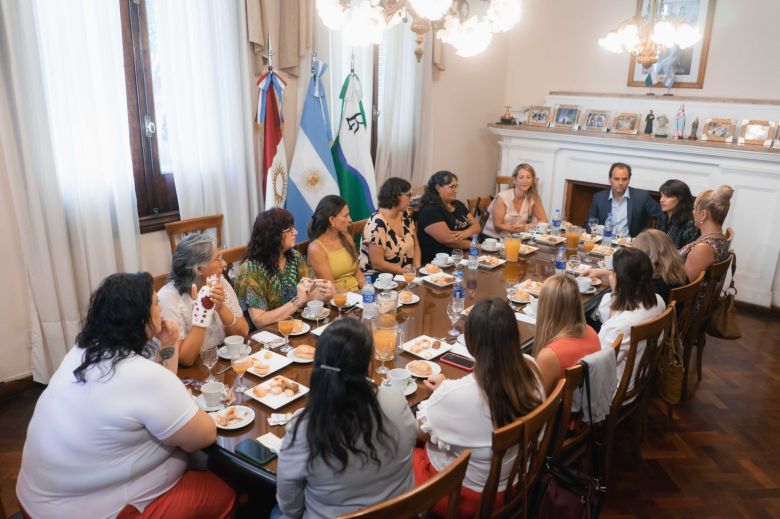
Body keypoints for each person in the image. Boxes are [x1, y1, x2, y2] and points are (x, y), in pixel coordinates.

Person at [16, 273, 235, 518]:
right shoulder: (140, 376)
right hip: (93, 511)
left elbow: (164, 388)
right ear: (139, 318)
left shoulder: (81, 353)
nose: (160, 308)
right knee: (222, 492)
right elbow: (204, 436)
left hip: (36, 501)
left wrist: (167, 343)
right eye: (155, 303)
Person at [414, 298, 544, 517]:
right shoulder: (531, 368)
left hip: (466, 497)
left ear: (471, 342)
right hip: (519, 478)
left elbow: (418, 430)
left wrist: (445, 393)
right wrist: (447, 390)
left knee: (404, 450)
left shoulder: (460, 395)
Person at [275, 318, 417, 519]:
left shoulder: (306, 428)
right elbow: (409, 445)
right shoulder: (395, 400)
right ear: (369, 365)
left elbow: (290, 507)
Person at [157, 233, 249, 366]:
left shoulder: (220, 281)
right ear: (200, 269)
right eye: (218, 258)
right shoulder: (168, 298)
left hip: (223, 362)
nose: (224, 264)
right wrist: (202, 312)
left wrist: (221, 308)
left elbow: (243, 333)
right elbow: (184, 359)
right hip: (195, 371)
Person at [236, 208, 334, 329]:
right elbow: (259, 320)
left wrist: (326, 293)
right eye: (289, 230)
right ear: (273, 236)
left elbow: (309, 295)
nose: (296, 232)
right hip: (267, 336)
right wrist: (297, 301)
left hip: (298, 327)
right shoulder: (251, 269)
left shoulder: (294, 257)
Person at [596, 248, 666, 386]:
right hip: (640, 378)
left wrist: (615, 292)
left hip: (613, 390)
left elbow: (597, 366)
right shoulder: (659, 301)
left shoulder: (620, 325)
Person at [533, 276, 601, 394]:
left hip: (559, 411)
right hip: (584, 407)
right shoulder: (592, 332)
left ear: (545, 307)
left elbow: (536, 403)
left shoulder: (549, 356)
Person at [417, 171, 482, 264]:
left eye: (456, 187)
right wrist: (473, 245)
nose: (456, 190)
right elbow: (449, 240)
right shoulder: (430, 210)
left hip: (465, 254)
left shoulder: (458, 204)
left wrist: (466, 233)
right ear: (438, 188)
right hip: (443, 262)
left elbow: (477, 226)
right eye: (452, 187)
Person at [359, 177, 421, 274]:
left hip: (405, 275)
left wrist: (416, 268)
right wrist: (407, 273)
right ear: (396, 196)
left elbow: (416, 246)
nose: (411, 198)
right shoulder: (377, 223)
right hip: (380, 279)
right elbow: (377, 264)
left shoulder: (406, 215)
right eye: (408, 194)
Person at [585, 162, 662, 237]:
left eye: (624, 179)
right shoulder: (599, 197)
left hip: (631, 247)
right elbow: (588, 223)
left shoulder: (642, 196)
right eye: (616, 179)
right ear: (609, 179)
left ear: (629, 180)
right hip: (605, 243)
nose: (621, 183)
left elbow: (662, 216)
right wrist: (598, 232)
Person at [308, 195, 365, 292]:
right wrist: (356, 298)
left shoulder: (346, 237)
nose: (350, 220)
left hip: (357, 294)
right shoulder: (316, 249)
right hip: (338, 299)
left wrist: (369, 292)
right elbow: (330, 286)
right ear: (331, 220)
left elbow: (358, 273)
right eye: (345, 216)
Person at [679, 185, 733, 281]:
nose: (693, 212)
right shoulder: (720, 238)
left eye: (695, 209)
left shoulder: (703, 248)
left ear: (703, 215)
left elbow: (684, 285)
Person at [483, 163, 548, 238]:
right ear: (514, 180)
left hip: (514, 238)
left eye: (528, 177)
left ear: (532, 180)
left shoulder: (533, 197)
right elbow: (497, 226)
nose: (525, 181)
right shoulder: (502, 197)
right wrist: (520, 229)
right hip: (492, 239)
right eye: (521, 177)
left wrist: (527, 227)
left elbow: (544, 220)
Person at [655, 179, 699, 249]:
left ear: (680, 199)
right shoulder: (662, 218)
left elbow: (686, 255)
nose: (661, 200)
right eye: (661, 195)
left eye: (667, 196)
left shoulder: (690, 224)